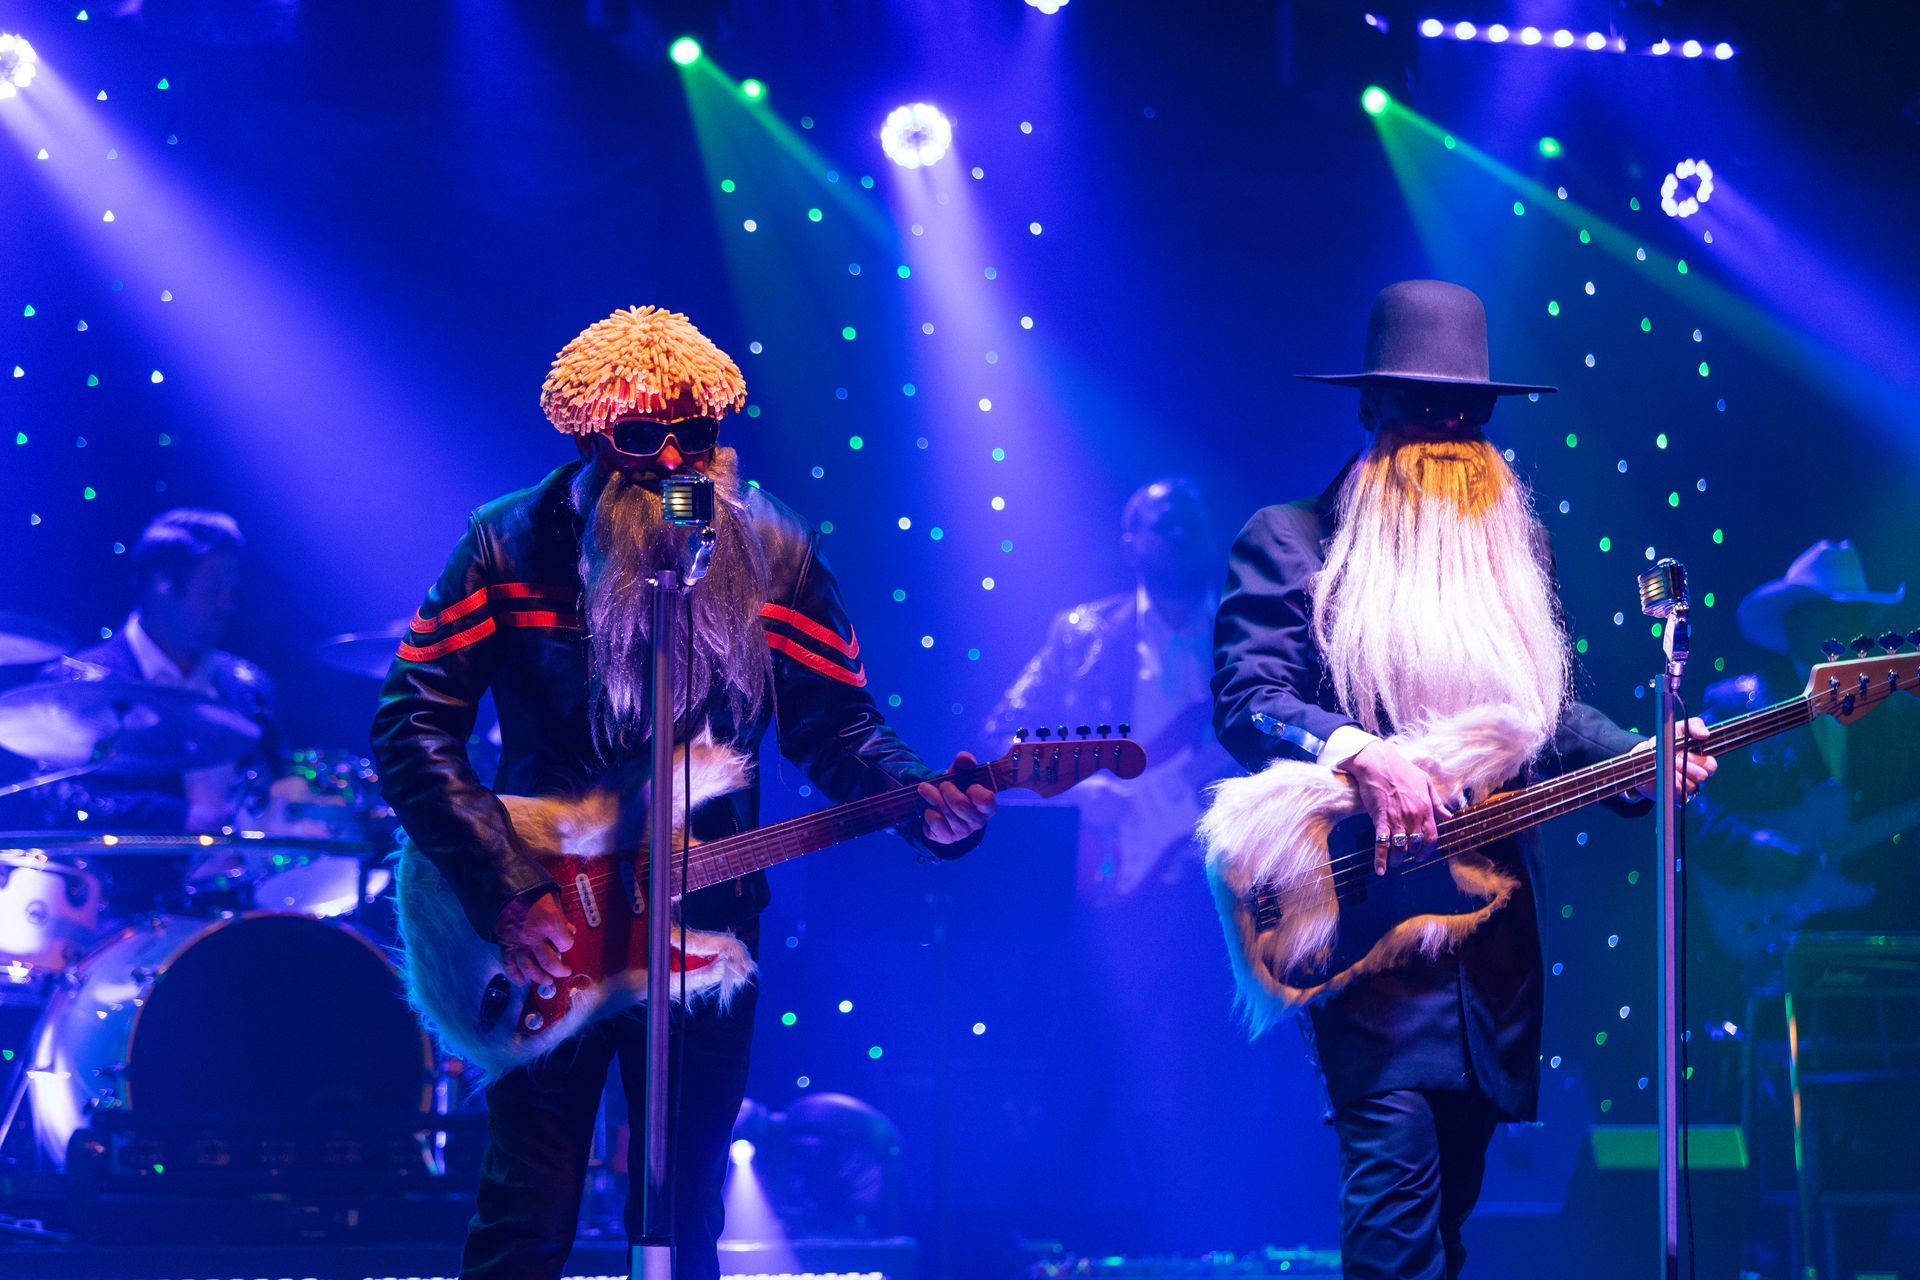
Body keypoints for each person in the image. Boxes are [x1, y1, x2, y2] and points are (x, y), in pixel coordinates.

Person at [370, 305, 996, 1280]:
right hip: (544, 924)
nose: (672, 458)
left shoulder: (774, 547)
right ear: (586, 434)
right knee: (526, 1212)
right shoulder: (508, 543)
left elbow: (836, 722)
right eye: (640, 436)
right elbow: (411, 721)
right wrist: (505, 891)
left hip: (705, 925)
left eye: (694, 433)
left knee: (684, 1208)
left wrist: (922, 797)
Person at [1210, 280, 1716, 1279]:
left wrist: (1644, 752)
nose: (1447, 437)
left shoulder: (1507, 555)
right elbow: (1245, 696)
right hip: (1370, 938)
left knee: (1446, 1224)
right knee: (1395, 1216)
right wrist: (1359, 750)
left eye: (1467, 415)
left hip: (1491, 949)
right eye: (1421, 411)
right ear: (1370, 413)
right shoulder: (1291, 539)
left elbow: (1542, 714)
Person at [983, 477, 1257, 1247]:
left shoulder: (1245, 636)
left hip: (1222, 887)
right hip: (1118, 892)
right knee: (1084, 1071)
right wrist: (1081, 793)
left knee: (1221, 1073)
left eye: (1192, 524)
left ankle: (1222, 1244)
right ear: (1129, 542)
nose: (1178, 538)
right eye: (1160, 525)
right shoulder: (1083, 635)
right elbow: (1003, 742)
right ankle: (1050, 1246)